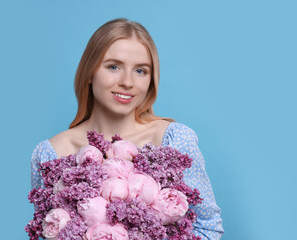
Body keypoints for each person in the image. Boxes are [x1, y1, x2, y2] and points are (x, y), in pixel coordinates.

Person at [30, 18, 224, 239]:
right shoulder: (50, 153)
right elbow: (45, 231)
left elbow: (208, 226)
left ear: (151, 80)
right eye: (114, 66)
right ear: (90, 71)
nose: (128, 82)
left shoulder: (174, 139)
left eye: (140, 71)